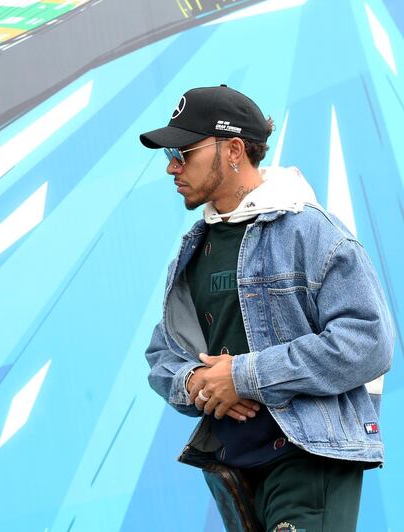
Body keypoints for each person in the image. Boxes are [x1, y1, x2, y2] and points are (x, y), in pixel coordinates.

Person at [139, 84, 394, 532]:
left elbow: (369, 342)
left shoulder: (310, 231)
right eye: (168, 156)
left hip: (308, 459)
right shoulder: (194, 249)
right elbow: (162, 356)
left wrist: (242, 377)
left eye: (184, 152)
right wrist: (198, 381)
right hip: (233, 469)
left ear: (234, 149)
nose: (172, 168)